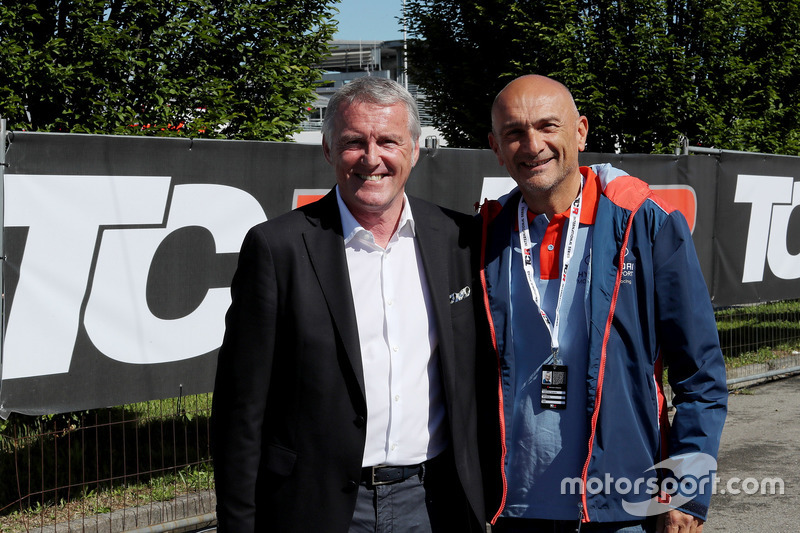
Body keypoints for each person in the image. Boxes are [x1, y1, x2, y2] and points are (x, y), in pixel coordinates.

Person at [210, 76, 485, 532]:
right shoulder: (277, 248)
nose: (371, 158)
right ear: (328, 150)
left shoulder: (460, 239)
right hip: (317, 507)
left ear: (415, 150)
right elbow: (240, 409)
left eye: (389, 142)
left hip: (435, 504)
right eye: (354, 141)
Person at [478, 75, 727, 532]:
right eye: (514, 132)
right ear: (496, 146)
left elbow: (701, 374)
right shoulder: (483, 236)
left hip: (620, 509)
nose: (532, 145)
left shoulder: (645, 224)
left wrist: (686, 492)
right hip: (513, 511)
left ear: (580, 131)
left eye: (548, 126)